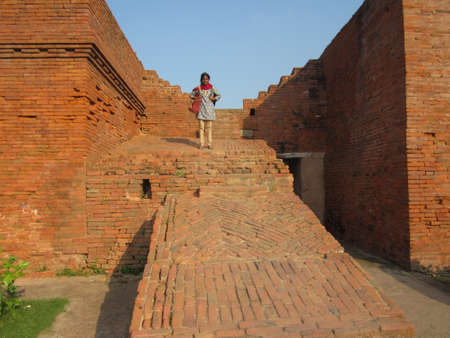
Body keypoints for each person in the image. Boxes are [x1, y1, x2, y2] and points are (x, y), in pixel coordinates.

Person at [190, 72, 221, 149]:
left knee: (209, 128)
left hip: (210, 110)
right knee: (201, 128)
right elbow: (191, 95)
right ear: (201, 80)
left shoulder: (212, 88)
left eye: (206, 79)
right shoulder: (199, 88)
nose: (205, 80)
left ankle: (209, 144)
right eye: (203, 79)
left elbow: (219, 95)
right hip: (201, 110)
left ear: (209, 79)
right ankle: (201, 144)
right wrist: (197, 96)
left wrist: (213, 98)